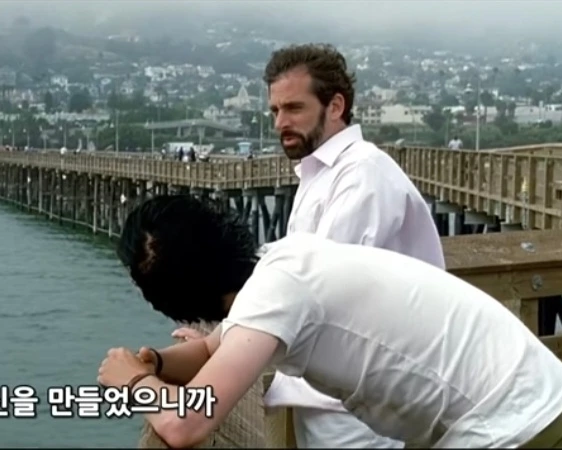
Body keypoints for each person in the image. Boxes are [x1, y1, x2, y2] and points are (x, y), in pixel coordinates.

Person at [99, 195, 562, 449]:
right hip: (539, 404)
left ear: (171, 302)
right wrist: (157, 362)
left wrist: (135, 382)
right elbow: (214, 349)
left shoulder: (273, 295)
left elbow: (187, 425)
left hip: (516, 426)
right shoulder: (284, 263)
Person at [171, 43, 445, 448]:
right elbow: (289, 273)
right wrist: (225, 336)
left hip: (365, 402)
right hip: (334, 390)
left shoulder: (363, 175)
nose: (280, 122)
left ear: (335, 106)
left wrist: (225, 342)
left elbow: (309, 289)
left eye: (294, 108)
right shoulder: (322, 173)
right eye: (274, 110)